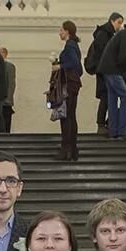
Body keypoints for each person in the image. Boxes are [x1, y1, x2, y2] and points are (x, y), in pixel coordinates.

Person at [85, 12, 123, 134]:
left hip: (104, 70)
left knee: (107, 96)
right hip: (104, 71)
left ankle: (106, 122)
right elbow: (104, 52)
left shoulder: (106, 34)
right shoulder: (104, 34)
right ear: (112, 21)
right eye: (119, 22)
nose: (120, 26)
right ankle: (102, 123)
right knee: (106, 96)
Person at [53, 21, 83, 161]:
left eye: (61, 30)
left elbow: (75, 63)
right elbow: (79, 69)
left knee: (66, 116)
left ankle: (66, 149)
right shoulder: (74, 45)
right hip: (74, 84)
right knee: (71, 116)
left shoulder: (70, 45)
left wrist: (59, 66)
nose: (60, 33)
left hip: (68, 85)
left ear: (67, 31)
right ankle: (72, 149)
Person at [1, 47, 16, 132]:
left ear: (5, 55)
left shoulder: (9, 66)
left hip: (6, 101)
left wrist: (9, 98)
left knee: (6, 125)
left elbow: (11, 83)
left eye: (1, 53)